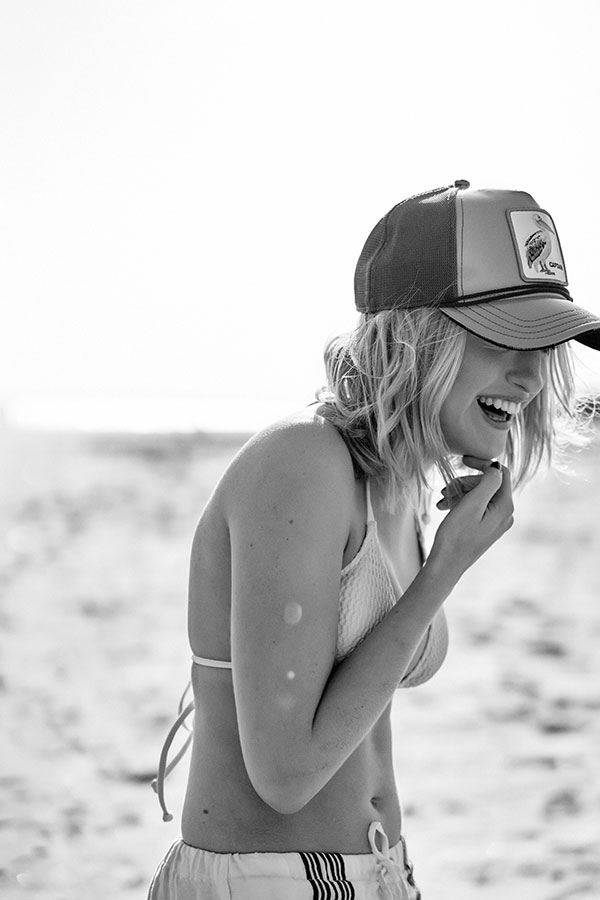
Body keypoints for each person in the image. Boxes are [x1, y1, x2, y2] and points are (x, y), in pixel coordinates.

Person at [148, 181, 600, 900]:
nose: (528, 375)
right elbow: (286, 775)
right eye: (501, 339)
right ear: (418, 338)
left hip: (379, 876)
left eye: (542, 343)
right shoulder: (302, 462)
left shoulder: (397, 481)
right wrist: (441, 574)